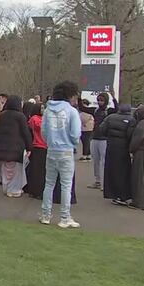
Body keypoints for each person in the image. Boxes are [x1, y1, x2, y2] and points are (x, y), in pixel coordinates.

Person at [40, 81, 82, 228]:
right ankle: (65, 217)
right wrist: (71, 143)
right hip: (66, 151)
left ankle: (45, 214)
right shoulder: (71, 111)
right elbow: (76, 134)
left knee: (49, 183)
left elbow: (43, 132)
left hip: (51, 150)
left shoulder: (47, 110)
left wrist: (51, 142)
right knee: (66, 185)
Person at [96, 104, 135, 205]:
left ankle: (113, 194)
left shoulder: (110, 117)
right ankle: (123, 195)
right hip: (123, 148)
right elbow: (131, 135)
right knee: (123, 171)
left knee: (111, 170)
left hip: (111, 145)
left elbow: (101, 129)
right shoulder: (131, 120)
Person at [0, 95, 33, 198]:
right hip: (16, 146)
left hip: (3, 145)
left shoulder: (1, 115)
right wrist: (29, 147)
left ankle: (6, 187)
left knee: (6, 167)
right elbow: (25, 132)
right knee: (16, 169)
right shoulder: (20, 116)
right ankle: (14, 189)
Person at [81, 91, 117, 189]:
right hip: (95, 138)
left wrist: (113, 98)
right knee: (96, 161)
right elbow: (83, 108)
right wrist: (79, 98)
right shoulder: (95, 110)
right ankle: (97, 181)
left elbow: (116, 109)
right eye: (99, 100)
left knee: (104, 162)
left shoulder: (108, 111)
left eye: (102, 100)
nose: (100, 102)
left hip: (104, 139)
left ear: (106, 101)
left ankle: (105, 183)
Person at [24, 103, 48, 199]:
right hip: (38, 146)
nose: (43, 109)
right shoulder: (34, 118)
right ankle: (35, 190)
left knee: (42, 171)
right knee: (37, 171)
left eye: (44, 108)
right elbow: (39, 127)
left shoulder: (44, 119)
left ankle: (39, 190)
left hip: (45, 147)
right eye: (41, 108)